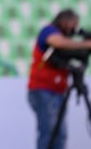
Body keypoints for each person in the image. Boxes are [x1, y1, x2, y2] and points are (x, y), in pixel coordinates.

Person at [27, 8, 91, 149]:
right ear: (63, 21)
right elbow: (58, 43)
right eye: (73, 23)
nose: (75, 28)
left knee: (60, 134)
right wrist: (86, 44)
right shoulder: (49, 31)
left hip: (57, 91)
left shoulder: (66, 39)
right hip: (42, 90)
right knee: (49, 132)